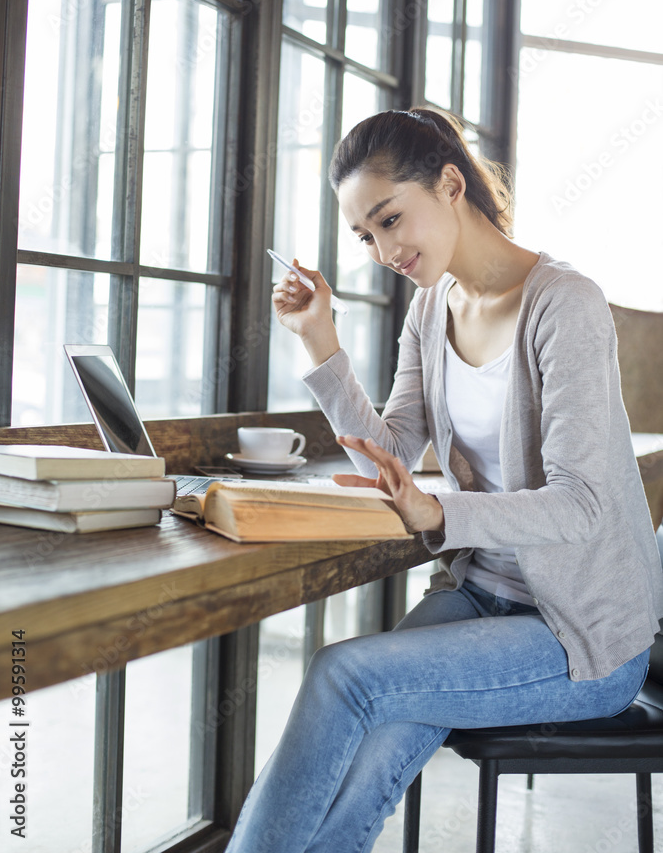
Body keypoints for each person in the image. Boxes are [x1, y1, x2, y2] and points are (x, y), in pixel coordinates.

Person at [225, 107, 663, 853]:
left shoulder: (564, 303)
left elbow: (583, 504)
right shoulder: (431, 308)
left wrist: (438, 513)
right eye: (366, 236)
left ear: (450, 183)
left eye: (390, 219)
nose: (383, 249)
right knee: (369, 755)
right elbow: (390, 450)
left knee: (345, 678)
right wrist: (319, 341)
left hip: (581, 638)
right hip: (480, 599)